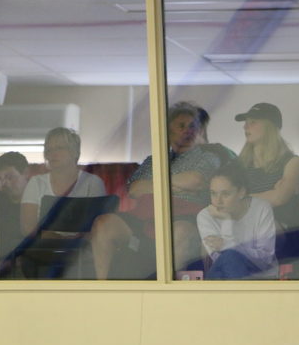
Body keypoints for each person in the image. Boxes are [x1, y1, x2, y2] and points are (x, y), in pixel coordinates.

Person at [91, 102, 220, 279]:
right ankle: (103, 287)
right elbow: (135, 189)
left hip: (184, 218)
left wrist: (153, 184)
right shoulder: (153, 160)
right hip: (143, 218)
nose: (187, 131)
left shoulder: (208, 158)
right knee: (104, 224)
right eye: (181, 126)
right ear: (169, 131)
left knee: (179, 232)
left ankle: (170, 288)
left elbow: (195, 181)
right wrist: (175, 184)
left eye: (192, 126)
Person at [19, 128, 106, 278]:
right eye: (49, 149)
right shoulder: (36, 183)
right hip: (43, 255)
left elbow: (101, 227)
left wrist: (72, 241)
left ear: (75, 152)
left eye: (59, 148)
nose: (52, 154)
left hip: (84, 256)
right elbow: (28, 228)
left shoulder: (93, 183)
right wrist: (63, 239)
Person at [198, 163, 277, 279]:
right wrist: (227, 220)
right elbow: (220, 258)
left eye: (225, 194)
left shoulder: (261, 208)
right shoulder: (205, 216)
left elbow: (265, 259)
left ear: (241, 192)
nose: (218, 201)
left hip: (260, 273)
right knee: (229, 259)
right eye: (213, 193)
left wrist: (227, 244)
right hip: (225, 272)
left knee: (231, 257)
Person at [234, 102, 299, 230]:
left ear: (269, 126)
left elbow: (279, 198)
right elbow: (226, 197)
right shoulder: (239, 164)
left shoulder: (292, 161)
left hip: (276, 226)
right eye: (246, 122)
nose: (245, 127)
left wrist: (241, 199)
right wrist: (268, 195)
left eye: (253, 122)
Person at [0, 152, 31, 277]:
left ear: (25, 173)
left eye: (10, 177)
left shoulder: (40, 200)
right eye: (1, 179)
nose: (6, 184)